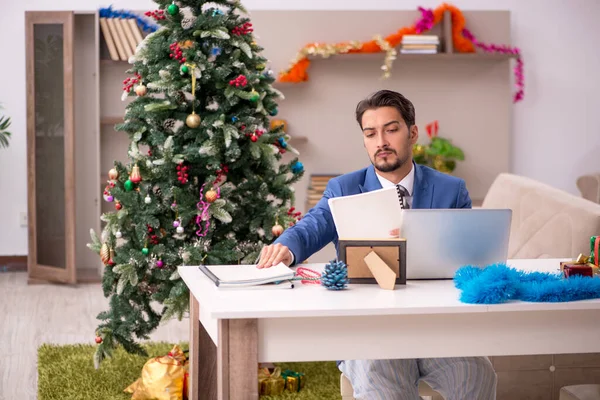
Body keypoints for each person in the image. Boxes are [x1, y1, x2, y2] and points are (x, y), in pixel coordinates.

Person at [257, 89, 497, 399]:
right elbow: (313, 226)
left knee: (477, 375)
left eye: (391, 129)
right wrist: (286, 247)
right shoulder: (343, 188)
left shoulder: (451, 189)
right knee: (385, 390)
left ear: (412, 133)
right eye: (370, 133)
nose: (380, 141)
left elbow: (470, 258)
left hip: (438, 328)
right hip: (372, 328)